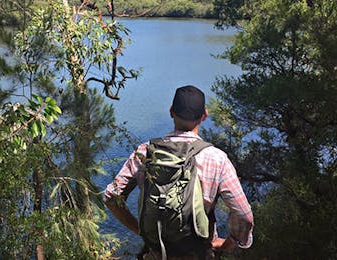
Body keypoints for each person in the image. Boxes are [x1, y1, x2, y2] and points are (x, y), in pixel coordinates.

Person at [104, 85, 254, 259]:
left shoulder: (145, 152)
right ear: (204, 115)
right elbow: (244, 215)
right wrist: (227, 244)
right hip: (198, 253)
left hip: (155, 253)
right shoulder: (217, 159)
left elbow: (111, 197)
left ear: (171, 112)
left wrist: (141, 231)